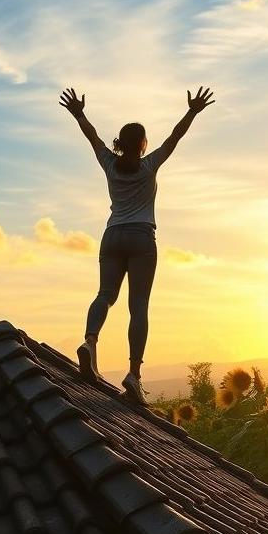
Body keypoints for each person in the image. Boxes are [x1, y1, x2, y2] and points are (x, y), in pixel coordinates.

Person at [59, 86, 215, 402]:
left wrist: (79, 113)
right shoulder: (149, 165)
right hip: (142, 237)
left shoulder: (108, 162)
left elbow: (93, 138)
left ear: (120, 142)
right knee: (138, 306)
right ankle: (133, 375)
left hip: (112, 235)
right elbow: (174, 137)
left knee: (105, 294)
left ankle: (90, 341)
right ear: (143, 144)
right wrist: (192, 111)